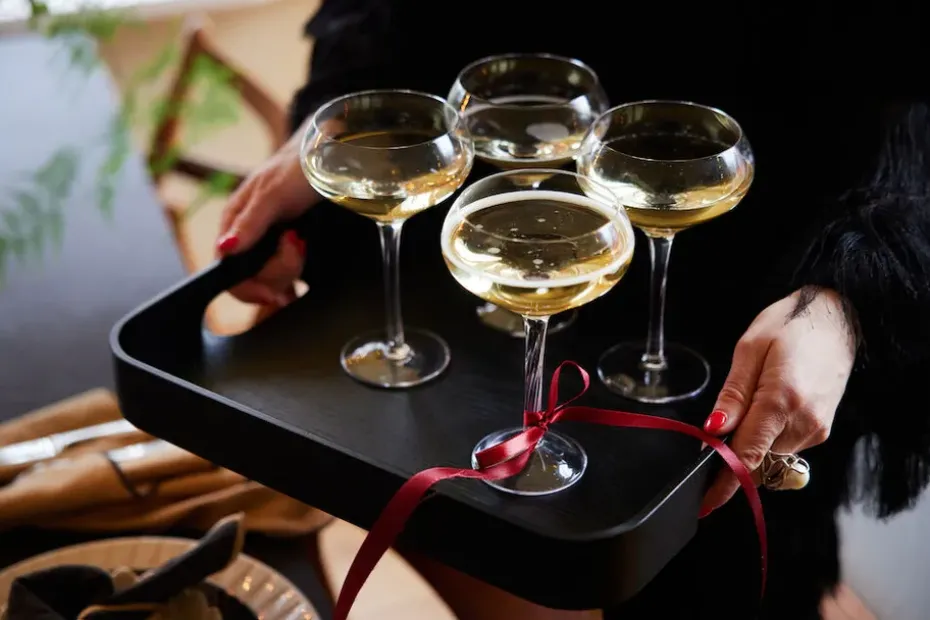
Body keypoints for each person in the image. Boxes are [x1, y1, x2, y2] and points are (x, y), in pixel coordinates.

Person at [216, 2, 930, 618]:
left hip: (763, 302)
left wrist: (853, 292)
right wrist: (339, 129)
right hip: (479, 280)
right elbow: (380, 17)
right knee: (445, 501)